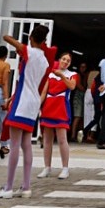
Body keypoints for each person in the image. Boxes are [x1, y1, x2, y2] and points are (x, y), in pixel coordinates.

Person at [0, 25, 50, 199]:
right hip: (33, 102)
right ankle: (26, 187)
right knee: (26, 145)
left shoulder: (29, 51)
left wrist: (22, 44)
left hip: (22, 101)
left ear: (31, 37)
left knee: (15, 145)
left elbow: (6, 37)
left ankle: (8, 187)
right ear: (44, 40)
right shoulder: (45, 60)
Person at [38, 51, 78, 180]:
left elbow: (72, 86)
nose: (65, 62)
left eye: (68, 61)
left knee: (62, 140)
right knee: (47, 140)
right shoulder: (50, 74)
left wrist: (62, 75)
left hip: (61, 109)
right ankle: (47, 167)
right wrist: (37, 106)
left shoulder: (72, 75)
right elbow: (44, 93)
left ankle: (65, 168)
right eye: (63, 59)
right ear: (59, 59)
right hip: (48, 108)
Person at [70, 62, 87, 142]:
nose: (83, 69)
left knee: (82, 117)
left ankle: (79, 136)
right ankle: (73, 135)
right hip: (78, 96)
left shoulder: (85, 75)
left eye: (84, 67)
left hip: (83, 96)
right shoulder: (77, 75)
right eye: (81, 67)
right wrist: (86, 91)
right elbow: (78, 85)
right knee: (77, 116)